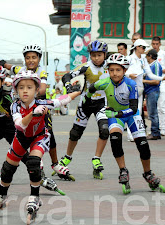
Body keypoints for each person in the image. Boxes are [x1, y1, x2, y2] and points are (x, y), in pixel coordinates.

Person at [0, 71, 79, 218]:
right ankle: (0, 197)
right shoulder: (15, 106)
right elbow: (20, 126)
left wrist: (77, 92)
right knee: (8, 169)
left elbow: (62, 100)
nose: (25, 90)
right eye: (21, 87)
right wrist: (33, 114)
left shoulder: (42, 103)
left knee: (33, 162)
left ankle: (34, 197)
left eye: (29, 87)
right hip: (22, 136)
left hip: (39, 136)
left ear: (36, 90)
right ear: (16, 90)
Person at [84, 53, 165, 194]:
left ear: (125, 71)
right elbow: (91, 89)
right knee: (115, 139)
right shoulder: (104, 82)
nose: (114, 73)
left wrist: (116, 113)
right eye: (111, 70)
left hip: (131, 116)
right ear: (108, 71)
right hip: (116, 117)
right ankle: (123, 170)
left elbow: (134, 109)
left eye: (118, 70)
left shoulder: (131, 84)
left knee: (143, 145)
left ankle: (148, 173)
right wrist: (87, 101)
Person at [0, 44, 70, 180]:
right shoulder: (21, 69)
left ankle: (55, 164)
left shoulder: (41, 71)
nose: (31, 60)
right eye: (27, 58)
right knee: (27, 134)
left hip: (40, 107)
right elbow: (10, 67)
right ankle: (38, 163)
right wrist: (3, 64)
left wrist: (33, 92)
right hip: (23, 107)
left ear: (39, 59)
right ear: (24, 59)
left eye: (34, 57)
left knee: (49, 135)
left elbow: (42, 90)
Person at [60, 41, 110, 180]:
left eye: (99, 55)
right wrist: (69, 85)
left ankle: (96, 159)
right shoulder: (86, 66)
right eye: (93, 55)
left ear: (105, 54)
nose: (96, 58)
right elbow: (67, 76)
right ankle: (67, 158)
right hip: (86, 102)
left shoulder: (110, 65)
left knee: (105, 130)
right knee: (75, 133)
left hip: (102, 103)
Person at [126, 39, 165, 141]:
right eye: (143, 47)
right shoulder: (129, 58)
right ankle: (130, 135)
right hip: (130, 88)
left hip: (140, 89)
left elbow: (150, 74)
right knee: (130, 112)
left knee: (138, 113)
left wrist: (161, 78)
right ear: (137, 47)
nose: (144, 49)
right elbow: (122, 71)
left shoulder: (143, 59)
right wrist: (129, 75)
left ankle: (136, 134)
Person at [143, 49, 162, 140]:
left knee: (153, 113)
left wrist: (144, 81)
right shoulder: (149, 65)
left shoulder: (156, 65)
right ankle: (155, 131)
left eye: (147, 55)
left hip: (153, 91)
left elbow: (157, 81)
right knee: (151, 112)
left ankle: (155, 132)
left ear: (150, 56)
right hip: (149, 91)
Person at [150, 36, 165, 136]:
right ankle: (155, 128)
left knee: (162, 106)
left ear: (160, 44)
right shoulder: (150, 53)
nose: (155, 46)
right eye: (153, 44)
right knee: (153, 108)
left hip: (163, 82)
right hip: (152, 83)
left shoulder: (164, 54)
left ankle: (163, 128)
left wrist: (159, 70)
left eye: (157, 44)